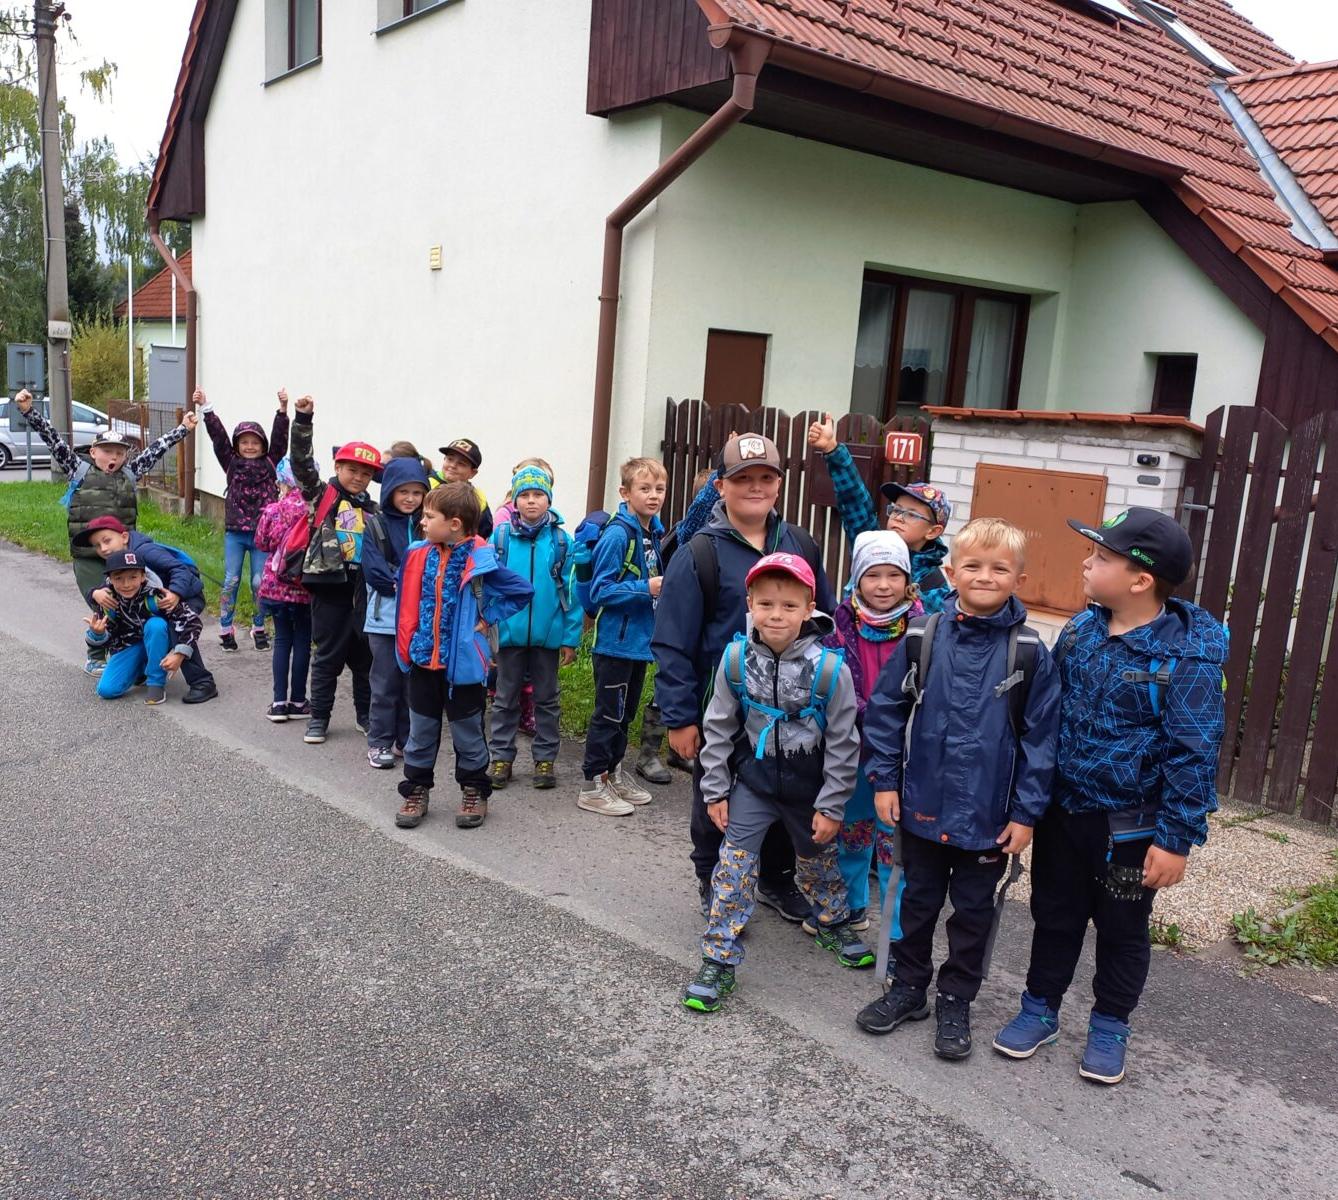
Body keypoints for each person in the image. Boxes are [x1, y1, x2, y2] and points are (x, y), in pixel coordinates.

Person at [993, 508, 1227, 1086]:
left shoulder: (1187, 659)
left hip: (1128, 830)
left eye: (1100, 558)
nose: (1086, 563)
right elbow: (1045, 716)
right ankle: (1039, 1006)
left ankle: (1109, 1023)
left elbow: (1193, 754)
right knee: (1054, 915)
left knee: (1122, 927)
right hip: (1063, 814)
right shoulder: (1081, 629)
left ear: (1140, 580)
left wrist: (1175, 841)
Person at [857, 517, 1060, 1061]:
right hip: (921, 803)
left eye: (999, 568)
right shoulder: (923, 636)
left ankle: (955, 999)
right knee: (916, 904)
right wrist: (884, 781)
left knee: (973, 916)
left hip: (988, 818)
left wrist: (1026, 814)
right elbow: (884, 713)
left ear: (1019, 577)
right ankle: (907, 988)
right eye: (973, 565)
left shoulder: (1029, 652)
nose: (985, 576)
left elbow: (1042, 742)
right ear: (951, 572)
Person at [652, 434, 838, 923]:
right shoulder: (700, 553)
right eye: (742, 479)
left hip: (792, 709)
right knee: (717, 796)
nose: (755, 487)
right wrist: (679, 717)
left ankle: (775, 879)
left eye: (765, 478)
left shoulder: (800, 543)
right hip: (725, 712)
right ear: (721, 486)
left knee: (784, 789)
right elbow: (672, 640)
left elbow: (826, 619)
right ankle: (711, 878)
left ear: (778, 485)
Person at [681, 552, 873, 1012]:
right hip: (756, 781)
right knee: (735, 865)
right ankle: (719, 959)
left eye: (789, 606)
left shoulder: (831, 671)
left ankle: (831, 921)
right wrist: (715, 791)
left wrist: (831, 806)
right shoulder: (734, 660)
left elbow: (846, 744)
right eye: (765, 604)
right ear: (750, 604)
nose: (776, 615)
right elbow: (719, 728)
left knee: (816, 860)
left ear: (810, 608)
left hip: (809, 787)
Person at [13, 387, 198, 673]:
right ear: (93, 452)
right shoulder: (79, 469)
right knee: (101, 600)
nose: (113, 456)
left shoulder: (130, 472)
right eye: (107, 451)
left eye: (119, 452)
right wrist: (28, 411)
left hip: (122, 552)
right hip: (88, 552)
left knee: (129, 598)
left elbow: (157, 449)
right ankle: (96, 653)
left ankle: (135, 649)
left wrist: (183, 429)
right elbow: (52, 440)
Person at [394, 482, 532, 830]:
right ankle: (416, 790)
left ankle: (474, 790)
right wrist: (407, 643)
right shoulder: (417, 553)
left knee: (468, 733)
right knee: (420, 732)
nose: (422, 522)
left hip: (464, 667)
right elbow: (406, 602)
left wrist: (485, 621)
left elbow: (521, 591)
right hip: (423, 660)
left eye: (429, 516)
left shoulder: (480, 559)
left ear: (454, 523)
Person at [820, 529, 922, 933]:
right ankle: (853, 907)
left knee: (894, 844)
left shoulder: (924, 627)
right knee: (853, 832)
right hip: (854, 748)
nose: (883, 585)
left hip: (902, 756)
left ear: (907, 580)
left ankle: (898, 932)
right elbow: (831, 683)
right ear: (857, 578)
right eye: (873, 575)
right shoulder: (840, 625)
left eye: (894, 575)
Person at [288, 396, 381, 745]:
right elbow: (300, 462)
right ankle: (319, 720)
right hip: (329, 588)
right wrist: (303, 419)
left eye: (366, 473)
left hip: (363, 590)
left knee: (364, 658)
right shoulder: (322, 496)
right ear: (338, 467)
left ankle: (365, 716)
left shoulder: (373, 508)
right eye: (352, 470)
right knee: (327, 658)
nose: (358, 477)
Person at [578, 456, 667, 816]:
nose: (653, 495)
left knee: (625, 715)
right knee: (608, 715)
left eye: (659, 489)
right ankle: (591, 784)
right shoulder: (618, 534)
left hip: (638, 644)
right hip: (615, 643)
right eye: (644, 489)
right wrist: (647, 587)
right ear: (625, 492)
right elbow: (601, 592)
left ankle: (612, 773)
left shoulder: (652, 532)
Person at [486, 465, 582, 790]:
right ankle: (501, 756)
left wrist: (570, 638)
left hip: (547, 636)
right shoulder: (500, 538)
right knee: (504, 697)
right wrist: (489, 633)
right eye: (523, 495)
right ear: (513, 500)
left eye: (538, 495)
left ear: (548, 499)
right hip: (510, 635)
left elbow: (571, 594)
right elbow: (487, 588)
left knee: (547, 698)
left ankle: (545, 759)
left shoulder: (560, 541)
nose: (530, 501)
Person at [807, 414, 952, 613]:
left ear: (933, 531)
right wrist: (833, 450)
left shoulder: (933, 586)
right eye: (896, 509)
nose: (898, 517)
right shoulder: (872, 545)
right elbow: (854, 501)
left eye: (911, 514)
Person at [75, 516, 219, 705]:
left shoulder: (145, 550)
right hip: (155, 599)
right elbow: (109, 587)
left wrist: (175, 593)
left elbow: (179, 569)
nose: (103, 549)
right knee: (152, 629)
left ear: (124, 537)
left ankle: (202, 682)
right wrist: (94, 593)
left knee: (175, 627)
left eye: (107, 540)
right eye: (97, 545)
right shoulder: (118, 566)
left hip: (185, 594)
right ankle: (145, 665)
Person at [636, 462, 720, 785]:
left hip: (705, 624)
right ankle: (648, 752)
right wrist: (720, 473)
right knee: (666, 688)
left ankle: (683, 750)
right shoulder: (691, 531)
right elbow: (700, 509)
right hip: (677, 623)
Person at [198, 386, 290, 651]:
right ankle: (226, 629)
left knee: (260, 582)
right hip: (236, 534)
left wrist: (283, 410)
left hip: (263, 535)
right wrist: (207, 408)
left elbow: (281, 438)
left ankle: (259, 626)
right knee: (231, 580)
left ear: (263, 445)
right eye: (244, 442)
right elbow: (218, 438)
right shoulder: (230, 462)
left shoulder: (271, 463)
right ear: (237, 446)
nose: (250, 446)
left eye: (255, 442)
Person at [362, 455, 429, 768]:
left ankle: (405, 739)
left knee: (410, 686)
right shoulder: (376, 525)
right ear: (389, 490)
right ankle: (379, 742)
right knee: (385, 684)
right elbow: (376, 573)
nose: (410, 499)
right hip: (385, 622)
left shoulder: (426, 525)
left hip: (418, 622)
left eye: (417, 493)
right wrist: (412, 582)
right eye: (404, 492)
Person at [254, 457, 315, 722]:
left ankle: (279, 703)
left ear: (283, 482)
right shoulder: (315, 511)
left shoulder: (273, 510)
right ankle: (299, 701)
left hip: (276, 586)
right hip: (305, 586)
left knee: (281, 640)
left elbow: (262, 543)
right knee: (303, 642)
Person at [435, 437, 493, 538]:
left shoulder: (478, 497)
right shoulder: (427, 484)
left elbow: (483, 532)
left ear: (473, 473)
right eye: (450, 459)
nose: (453, 465)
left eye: (461, 463)